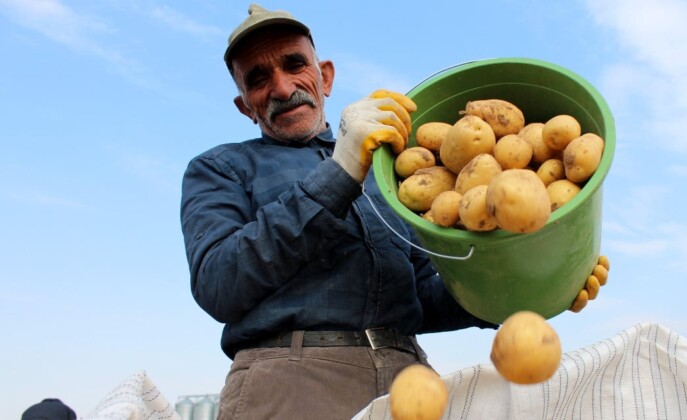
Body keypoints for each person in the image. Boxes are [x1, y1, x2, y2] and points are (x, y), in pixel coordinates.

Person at [180, 4, 605, 419]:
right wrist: (339, 172)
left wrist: (527, 289)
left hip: (409, 383)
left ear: (324, 76)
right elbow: (219, 281)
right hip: (291, 383)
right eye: (258, 78)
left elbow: (422, 294)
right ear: (244, 105)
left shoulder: (390, 174)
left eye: (294, 65)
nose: (282, 87)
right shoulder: (220, 168)